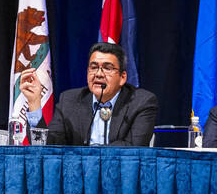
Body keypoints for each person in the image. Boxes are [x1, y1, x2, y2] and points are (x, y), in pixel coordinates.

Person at [19, 43, 157, 146]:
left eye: (107, 68)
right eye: (94, 67)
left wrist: (88, 155)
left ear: (122, 77)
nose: (98, 74)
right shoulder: (69, 100)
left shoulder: (141, 102)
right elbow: (49, 146)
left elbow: (134, 148)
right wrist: (34, 103)